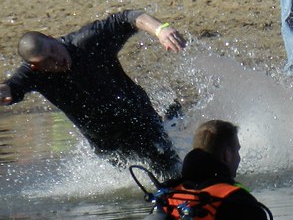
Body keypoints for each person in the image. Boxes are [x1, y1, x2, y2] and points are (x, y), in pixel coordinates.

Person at [0, 11, 186, 178]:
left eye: (53, 50)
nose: (57, 59)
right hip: (105, 143)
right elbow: (10, 88)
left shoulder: (88, 41)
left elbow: (131, 17)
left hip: (139, 120)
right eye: (47, 61)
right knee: (129, 184)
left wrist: (161, 30)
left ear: (52, 38)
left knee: (171, 174)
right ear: (36, 66)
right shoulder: (34, 75)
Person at [128, 119, 288, 220]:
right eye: (237, 150)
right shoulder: (234, 197)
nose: (238, 158)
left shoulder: (168, 195)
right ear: (227, 155)